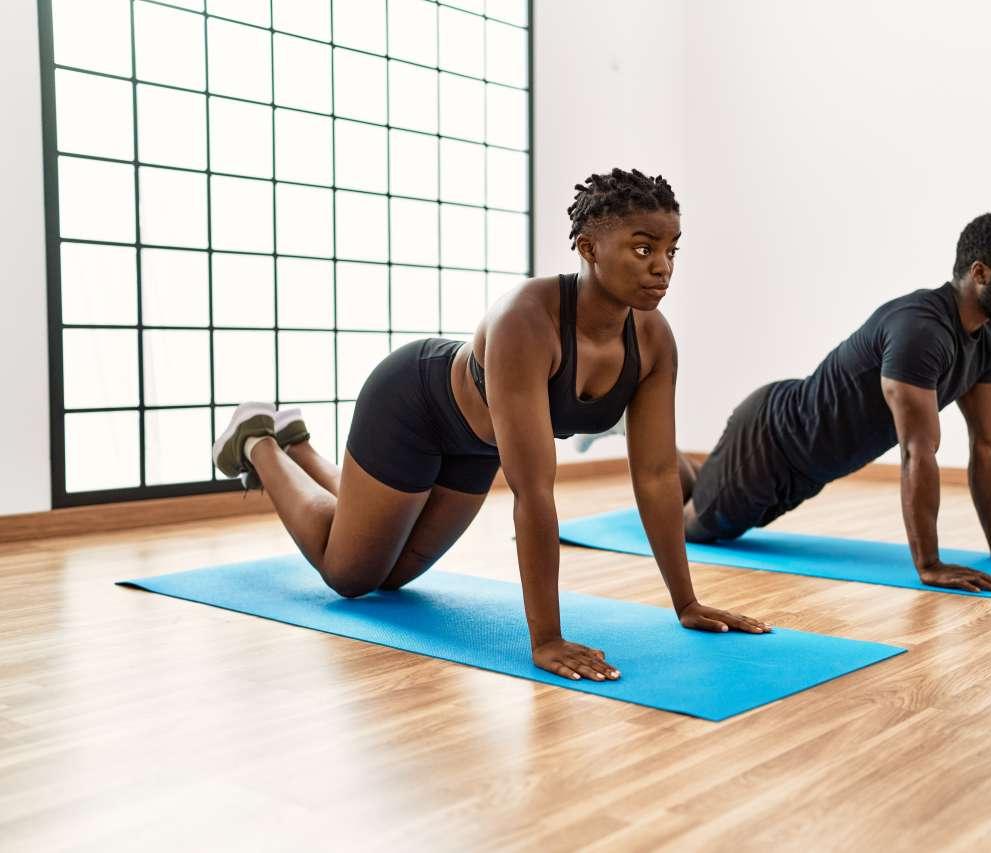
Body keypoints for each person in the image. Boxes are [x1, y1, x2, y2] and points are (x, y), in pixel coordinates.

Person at [213, 168, 770, 683]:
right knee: (352, 578)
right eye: (643, 248)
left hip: (474, 448)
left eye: (671, 250)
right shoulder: (526, 320)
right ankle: (259, 442)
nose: (662, 267)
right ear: (587, 247)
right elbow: (534, 492)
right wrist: (546, 638)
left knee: (393, 576)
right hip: (413, 408)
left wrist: (685, 603)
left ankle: (300, 445)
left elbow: (653, 476)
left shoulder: (652, 340)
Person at [681, 212, 991, 592]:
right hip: (771, 443)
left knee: (715, 500)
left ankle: (683, 469)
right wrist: (929, 565)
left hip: (808, 466)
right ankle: (650, 451)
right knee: (692, 528)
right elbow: (918, 451)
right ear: (981, 273)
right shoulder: (921, 331)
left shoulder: (986, 344)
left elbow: (989, 444)